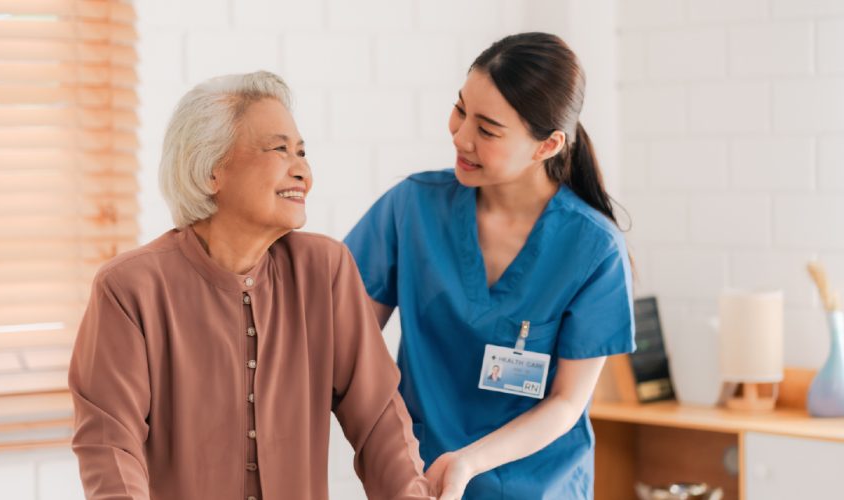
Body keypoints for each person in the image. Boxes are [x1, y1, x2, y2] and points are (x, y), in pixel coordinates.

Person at [69, 71, 433, 500]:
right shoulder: (129, 289)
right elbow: (110, 446)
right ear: (211, 171)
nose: (303, 171)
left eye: (302, 152)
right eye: (280, 150)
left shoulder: (326, 270)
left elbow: (379, 420)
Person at [344, 33, 635, 500]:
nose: (461, 137)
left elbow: (566, 402)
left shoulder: (593, 249)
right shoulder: (412, 209)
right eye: (460, 110)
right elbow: (343, 344)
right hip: (421, 480)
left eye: (487, 129)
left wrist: (468, 462)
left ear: (547, 145)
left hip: (539, 486)